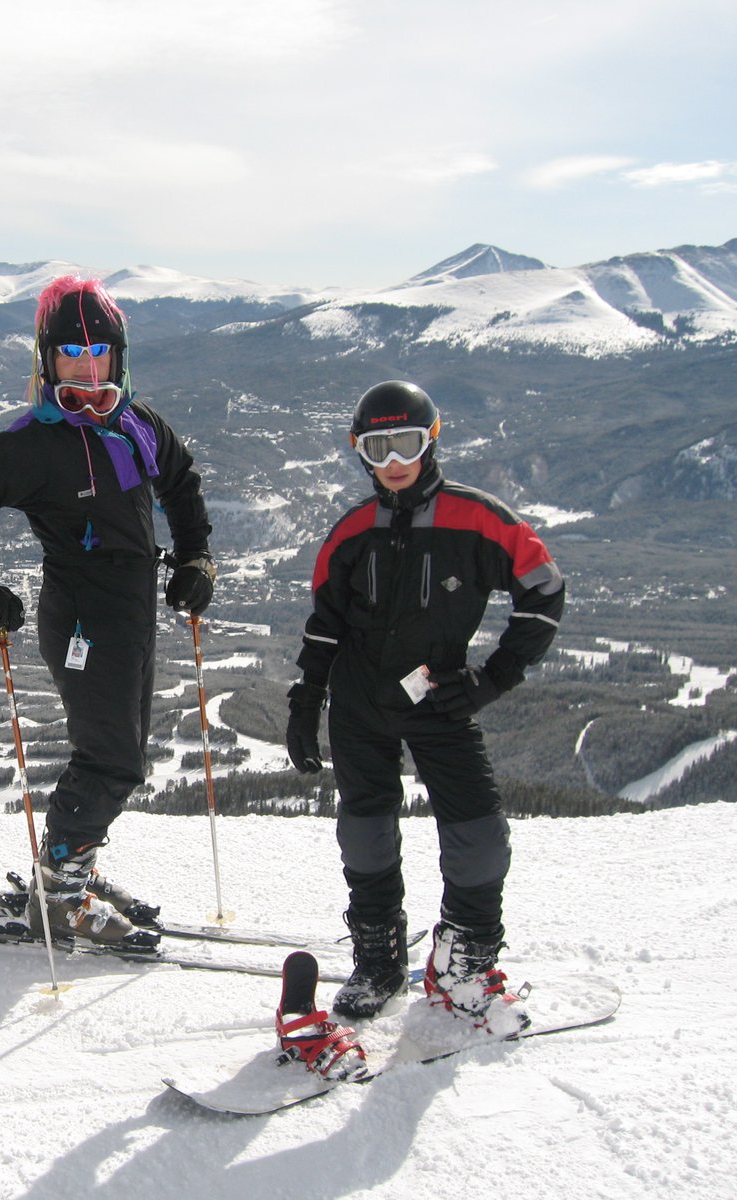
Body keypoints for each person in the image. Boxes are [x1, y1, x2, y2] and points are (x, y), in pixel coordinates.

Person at [0, 276, 215, 948]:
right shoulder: (32, 444)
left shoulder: (138, 425)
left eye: (98, 356)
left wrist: (197, 559)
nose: (86, 370)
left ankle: (69, 870)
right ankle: (59, 896)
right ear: (45, 361)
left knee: (119, 752)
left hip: (133, 612)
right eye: (69, 355)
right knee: (113, 760)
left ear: (118, 360)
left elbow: (181, 480)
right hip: (83, 620)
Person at [286, 380, 564, 1033]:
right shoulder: (352, 532)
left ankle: (461, 965)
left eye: (405, 443)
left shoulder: (478, 520)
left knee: (479, 836)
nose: (392, 462)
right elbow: (324, 624)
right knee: (365, 830)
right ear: (360, 452)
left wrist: (494, 677)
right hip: (359, 701)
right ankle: (378, 960)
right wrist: (306, 699)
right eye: (376, 448)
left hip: (434, 695)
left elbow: (544, 591)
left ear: (431, 439)